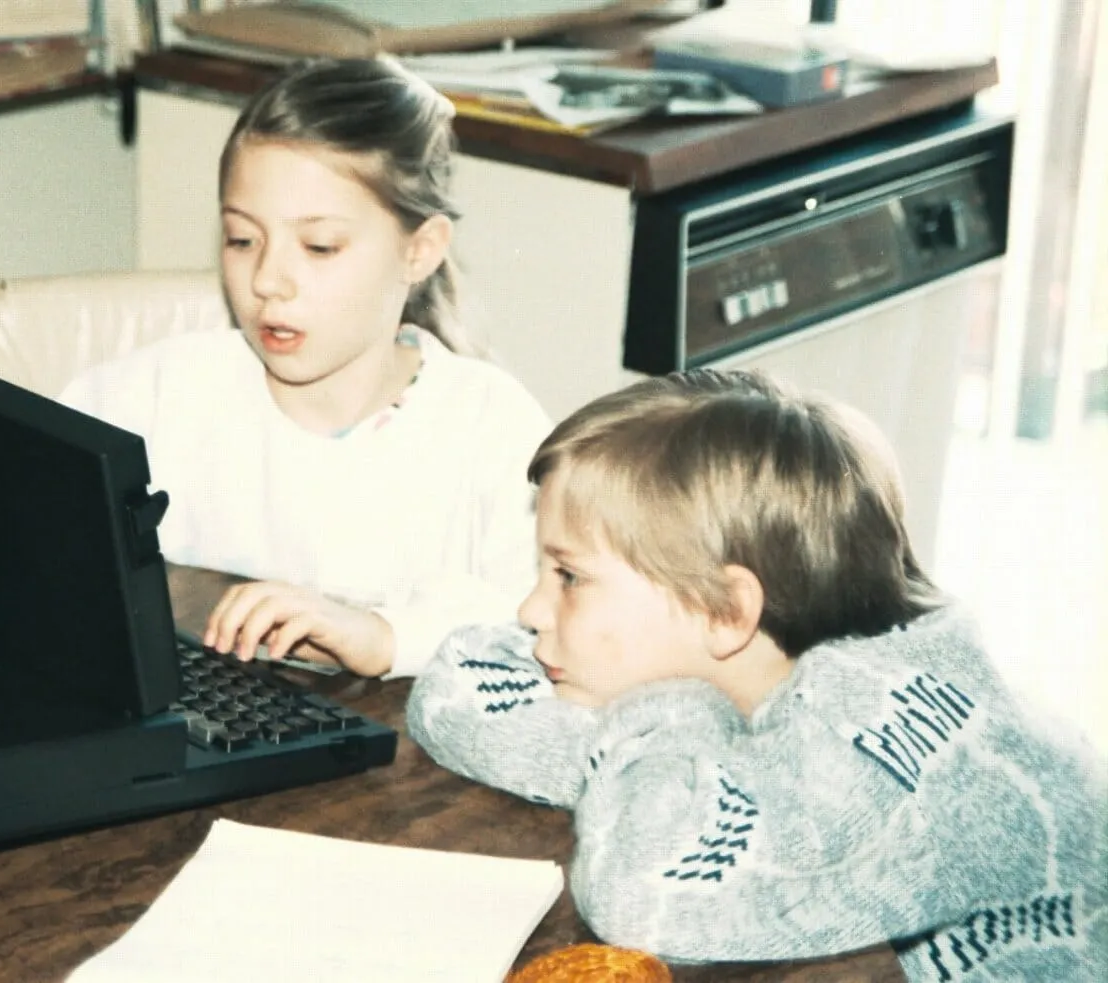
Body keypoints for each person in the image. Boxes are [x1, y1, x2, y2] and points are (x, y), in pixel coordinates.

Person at [407, 368, 1107, 981]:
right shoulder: (772, 654)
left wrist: (658, 715)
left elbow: (643, 897)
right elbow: (457, 684)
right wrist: (635, 752)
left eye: (569, 576)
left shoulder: (878, 758)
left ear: (726, 610)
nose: (530, 610)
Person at [60, 57, 551, 679]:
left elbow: (547, 627)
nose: (267, 280)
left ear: (419, 251)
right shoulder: (147, 398)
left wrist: (386, 638)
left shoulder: (491, 427)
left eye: (319, 246)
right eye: (243, 239)